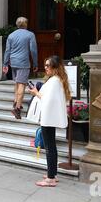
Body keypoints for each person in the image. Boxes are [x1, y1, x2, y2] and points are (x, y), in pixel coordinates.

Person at [28, 55, 71, 187]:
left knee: (49, 147)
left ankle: (50, 178)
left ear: (55, 67)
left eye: (48, 65)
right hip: (49, 117)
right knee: (51, 146)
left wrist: (36, 92)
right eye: (45, 65)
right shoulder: (57, 80)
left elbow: (47, 99)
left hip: (48, 118)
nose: (45, 68)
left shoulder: (54, 81)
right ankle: (52, 173)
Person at [3, 17, 38, 119]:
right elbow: (33, 50)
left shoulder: (11, 35)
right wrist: (35, 64)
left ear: (17, 25)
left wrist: (5, 64)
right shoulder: (30, 35)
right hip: (23, 62)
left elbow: (7, 51)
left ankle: (15, 101)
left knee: (18, 82)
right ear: (26, 24)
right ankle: (17, 108)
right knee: (22, 84)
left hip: (13, 62)